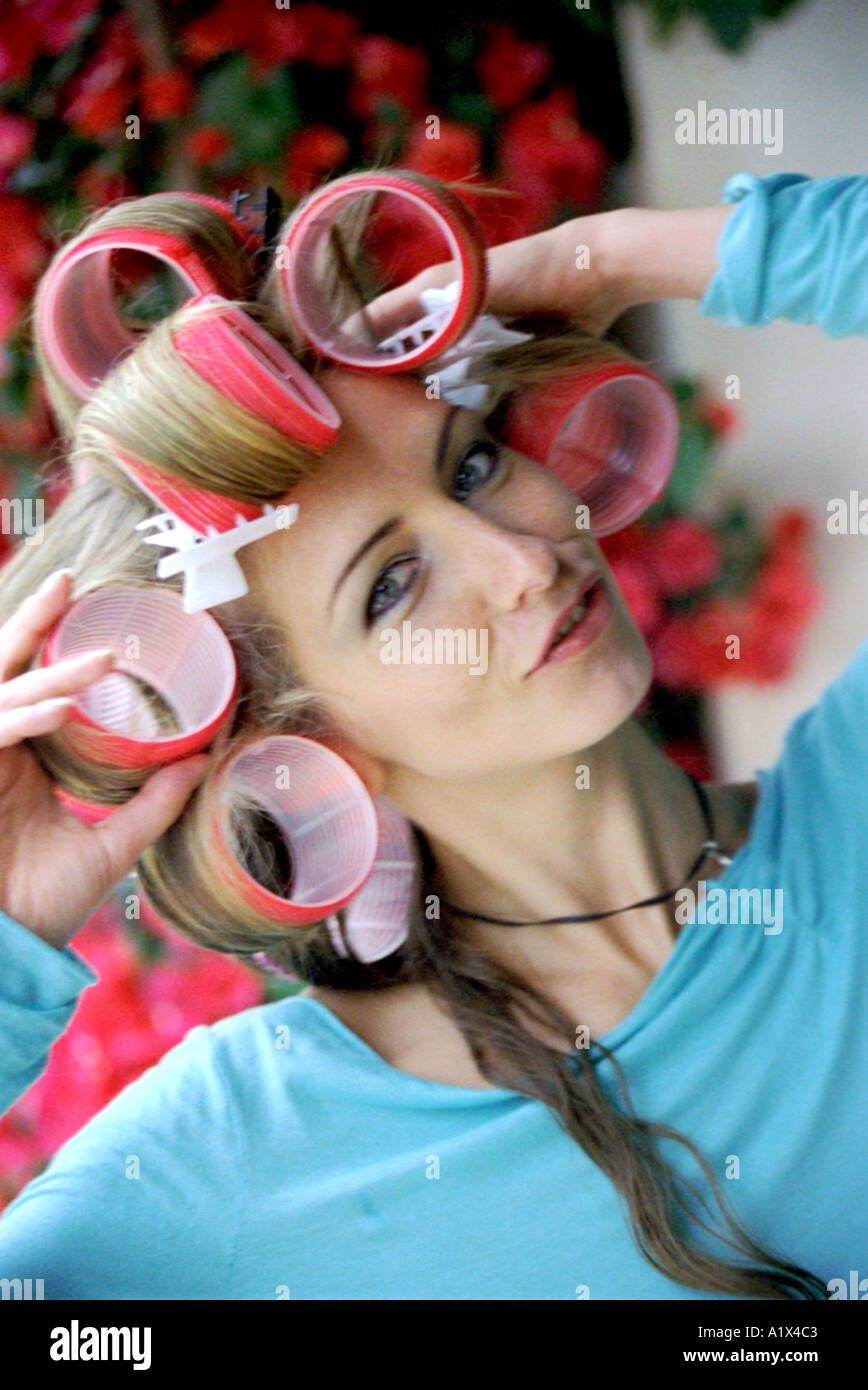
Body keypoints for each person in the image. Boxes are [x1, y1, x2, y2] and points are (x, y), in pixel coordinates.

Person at [0, 170, 865, 1301]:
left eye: (470, 463)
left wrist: (601, 260)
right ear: (297, 741)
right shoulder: (232, 1167)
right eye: (393, 584)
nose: (524, 557)